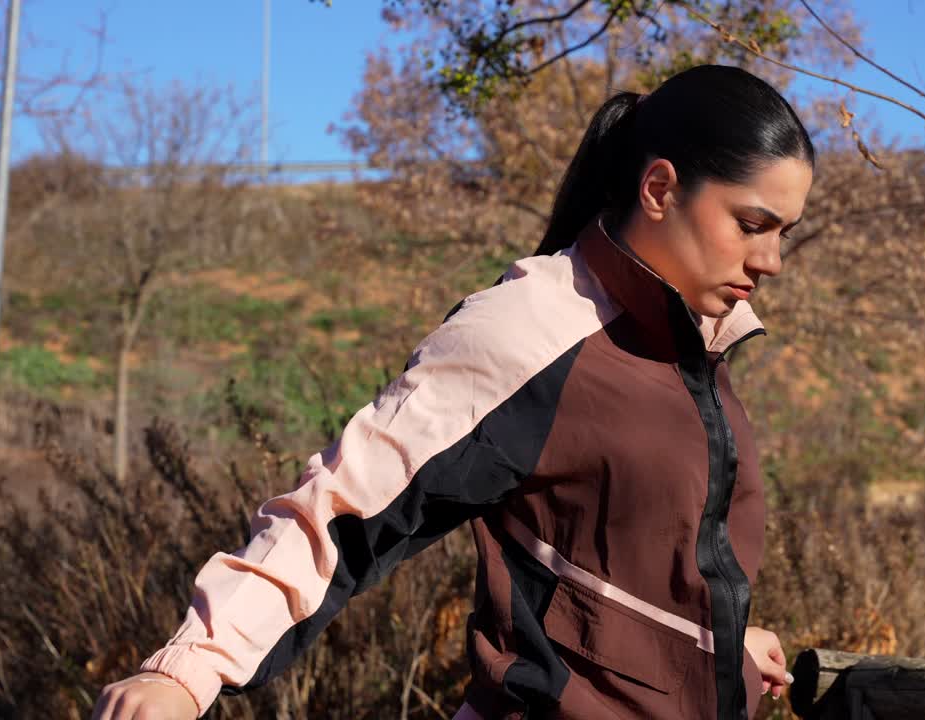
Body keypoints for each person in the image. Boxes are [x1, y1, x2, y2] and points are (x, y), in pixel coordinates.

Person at [92, 63, 814, 720]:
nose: (772, 260)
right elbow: (344, 512)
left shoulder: (691, 343)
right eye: (753, 225)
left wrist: (715, 644)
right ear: (658, 189)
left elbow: (613, 559)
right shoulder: (530, 331)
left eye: (785, 232)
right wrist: (188, 672)